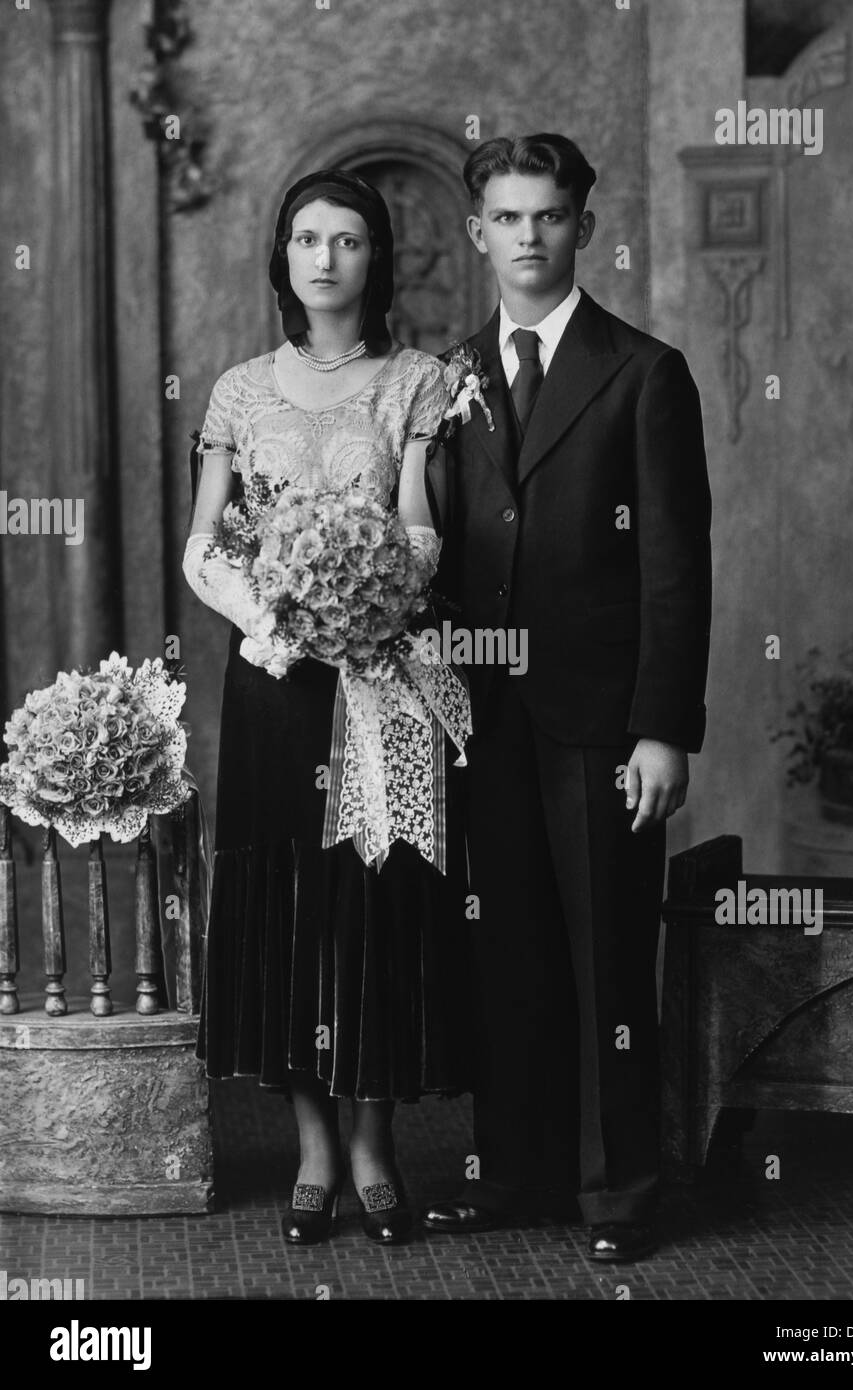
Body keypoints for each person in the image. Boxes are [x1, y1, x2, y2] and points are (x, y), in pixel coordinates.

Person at [423, 134, 712, 1261]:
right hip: (482, 719)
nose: (529, 235)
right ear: (478, 229)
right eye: (508, 216)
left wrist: (661, 729)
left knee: (605, 961)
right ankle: (516, 1175)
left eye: (550, 215)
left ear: (583, 226)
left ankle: (617, 1193)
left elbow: (675, 569)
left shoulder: (644, 372)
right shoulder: (447, 378)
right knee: (509, 959)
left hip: (601, 722)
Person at [182, 169, 471, 1247]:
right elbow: (205, 543)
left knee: (376, 901)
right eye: (307, 237)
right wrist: (279, 613)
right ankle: (311, 1145)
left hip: (382, 674)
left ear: (375, 258)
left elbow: (424, 529)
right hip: (274, 686)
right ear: (283, 255)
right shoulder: (239, 391)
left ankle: (372, 1143)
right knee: (290, 904)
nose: (325, 258)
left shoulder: (418, 384)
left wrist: (373, 594)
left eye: (348, 239)